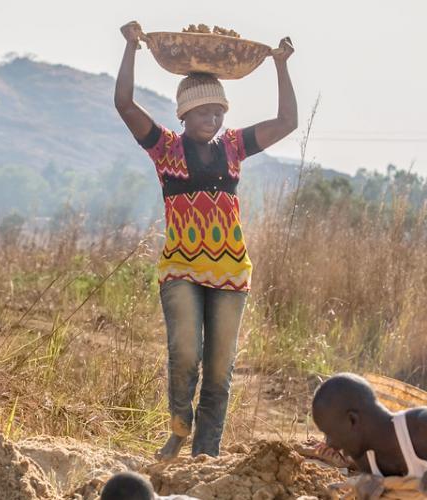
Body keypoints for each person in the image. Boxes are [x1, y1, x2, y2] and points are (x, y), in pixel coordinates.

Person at [115, 20, 298, 458]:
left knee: (219, 369)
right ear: (183, 114)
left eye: (218, 111)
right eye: (203, 112)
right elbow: (124, 103)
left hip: (232, 272)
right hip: (180, 268)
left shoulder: (233, 147)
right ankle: (180, 426)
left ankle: (205, 454)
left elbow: (288, 121)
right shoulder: (165, 149)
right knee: (184, 352)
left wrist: (280, 65)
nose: (212, 118)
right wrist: (130, 49)